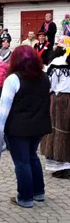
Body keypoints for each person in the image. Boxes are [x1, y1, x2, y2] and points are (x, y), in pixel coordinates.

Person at [0, 45, 51, 208]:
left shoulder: (13, 79)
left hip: (18, 128)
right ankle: (38, 192)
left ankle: (25, 197)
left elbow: (3, 109)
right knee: (32, 157)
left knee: (22, 162)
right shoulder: (45, 77)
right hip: (39, 126)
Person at [41, 38, 70, 178]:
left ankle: (59, 165)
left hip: (58, 99)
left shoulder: (55, 63)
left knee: (57, 129)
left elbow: (49, 85)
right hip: (64, 99)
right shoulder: (60, 63)